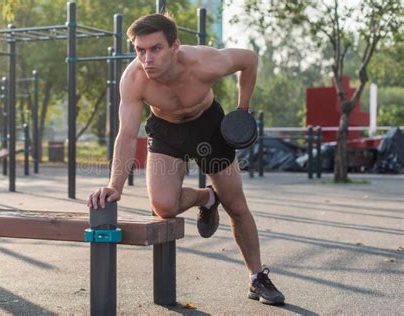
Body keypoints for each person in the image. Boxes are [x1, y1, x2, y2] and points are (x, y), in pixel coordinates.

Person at [87, 13, 285, 305]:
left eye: (155, 48)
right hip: (166, 132)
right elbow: (127, 134)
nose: (147, 58)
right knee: (164, 207)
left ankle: (257, 278)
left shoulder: (205, 62)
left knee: (236, 204)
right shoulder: (133, 79)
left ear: (175, 46)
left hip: (208, 126)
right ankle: (206, 198)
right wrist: (115, 184)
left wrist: (243, 110)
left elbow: (249, 60)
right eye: (140, 50)